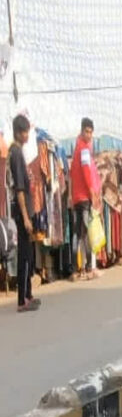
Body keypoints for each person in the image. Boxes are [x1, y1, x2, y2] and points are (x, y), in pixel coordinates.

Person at [9, 115, 39, 312]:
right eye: (26, 131)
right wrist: (26, 217)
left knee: (29, 254)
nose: (28, 135)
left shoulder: (17, 151)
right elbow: (20, 189)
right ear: (19, 132)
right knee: (25, 255)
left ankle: (28, 294)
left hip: (24, 209)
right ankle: (22, 300)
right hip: (22, 211)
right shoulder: (16, 153)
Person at [70, 117, 100, 280]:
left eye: (90, 132)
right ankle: (89, 268)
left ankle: (75, 269)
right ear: (82, 131)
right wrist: (92, 194)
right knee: (87, 232)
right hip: (83, 197)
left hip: (76, 198)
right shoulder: (84, 150)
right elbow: (87, 171)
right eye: (86, 131)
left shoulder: (76, 148)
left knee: (77, 234)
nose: (89, 135)